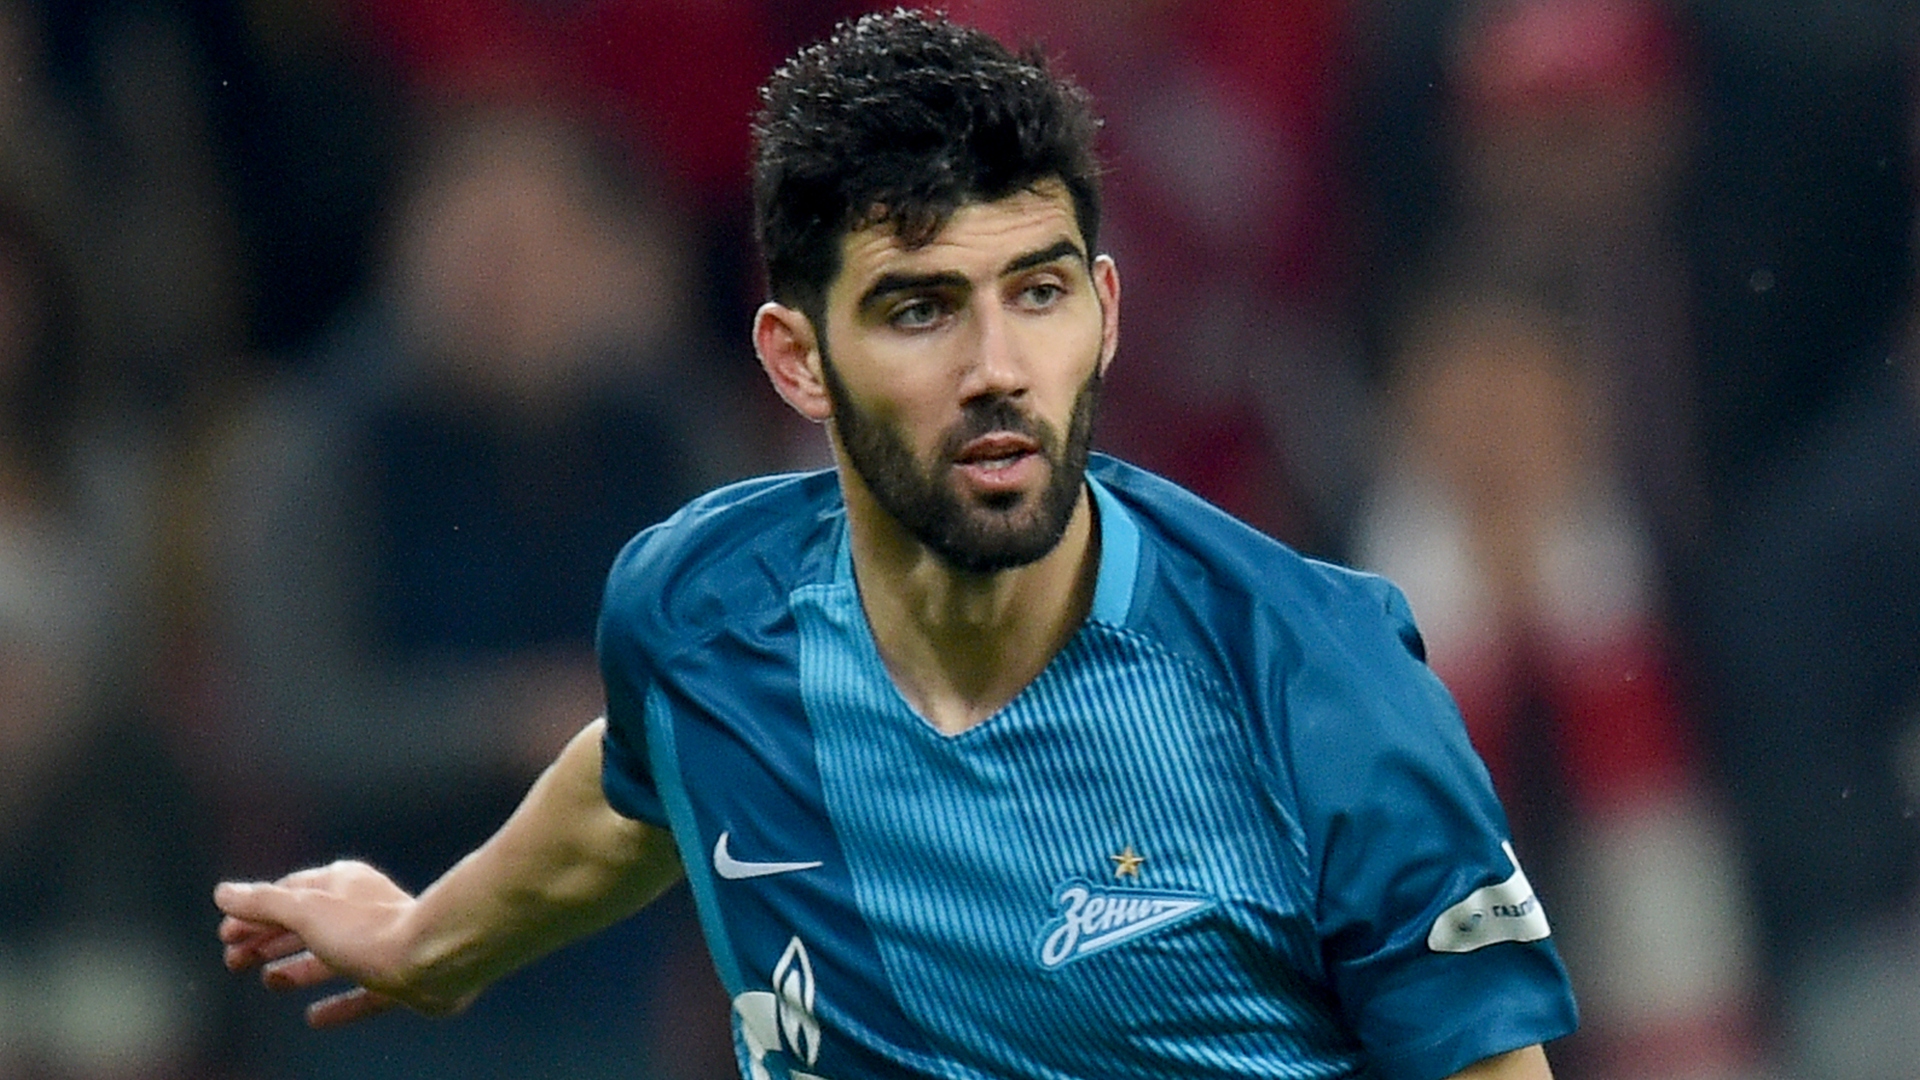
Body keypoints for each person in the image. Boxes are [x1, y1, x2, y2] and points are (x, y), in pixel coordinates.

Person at [214, 11, 1578, 1079]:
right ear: (796, 360)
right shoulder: (702, 610)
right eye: (920, 308)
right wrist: (430, 940)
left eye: (1036, 293)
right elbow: (631, 785)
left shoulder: (1319, 682)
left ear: (1106, 313)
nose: (997, 368)